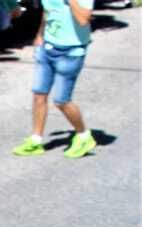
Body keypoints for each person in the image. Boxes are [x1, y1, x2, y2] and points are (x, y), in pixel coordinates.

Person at [11, 0, 96, 158]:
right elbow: (48, 11)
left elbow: (84, 19)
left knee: (62, 101)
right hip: (47, 46)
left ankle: (84, 136)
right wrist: (40, 35)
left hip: (71, 51)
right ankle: (36, 141)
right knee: (39, 94)